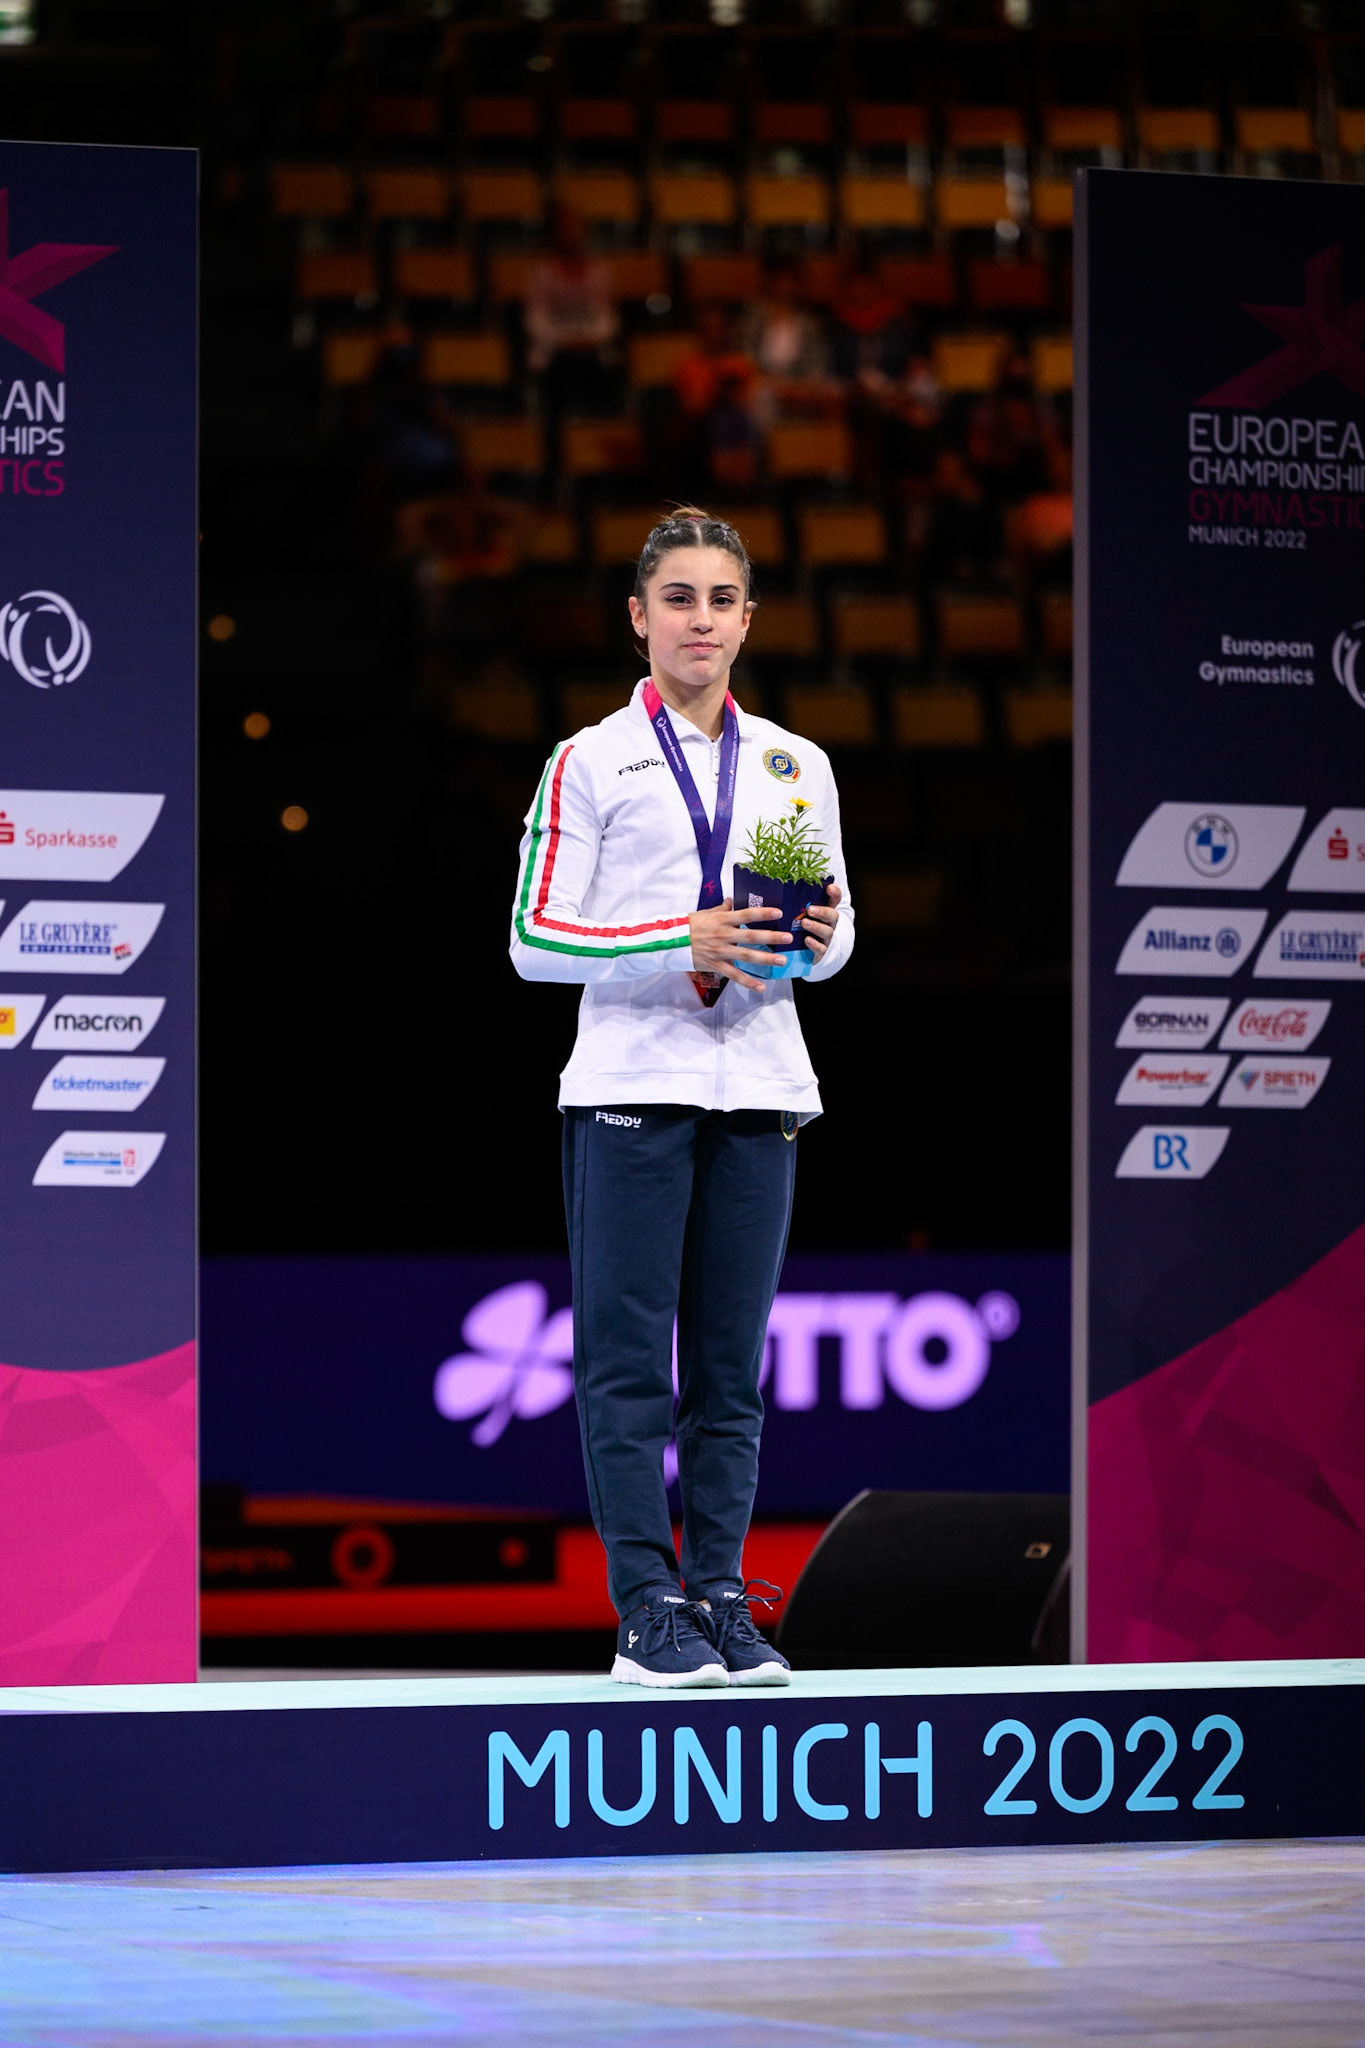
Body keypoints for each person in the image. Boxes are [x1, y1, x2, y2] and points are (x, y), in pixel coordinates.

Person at [509, 508, 854, 1688]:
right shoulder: (590, 758)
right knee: (623, 1367)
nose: (700, 620)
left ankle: (718, 1592)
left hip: (759, 1084)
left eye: (721, 600)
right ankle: (644, 1607)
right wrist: (682, 938)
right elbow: (532, 936)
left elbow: (836, 934)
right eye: (679, 599)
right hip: (631, 1086)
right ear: (640, 617)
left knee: (728, 1371)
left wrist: (812, 937)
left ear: (748, 619)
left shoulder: (796, 765)